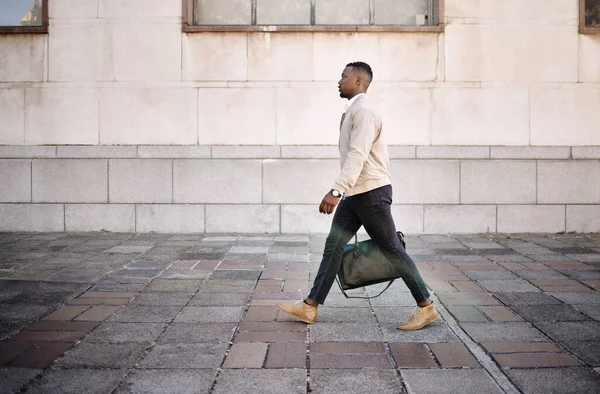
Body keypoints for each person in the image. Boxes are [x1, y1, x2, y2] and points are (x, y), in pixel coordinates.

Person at [277, 61, 439, 331]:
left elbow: (358, 155)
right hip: (356, 193)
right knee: (334, 246)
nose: (339, 81)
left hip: (371, 193)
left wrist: (336, 190)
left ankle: (426, 307)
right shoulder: (354, 110)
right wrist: (345, 191)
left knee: (392, 250)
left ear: (360, 81)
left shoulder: (364, 111)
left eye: (344, 77)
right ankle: (310, 306)